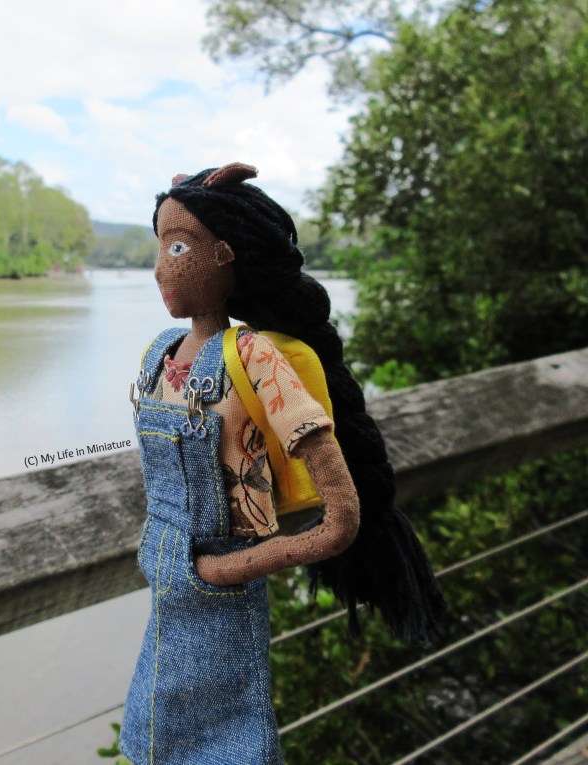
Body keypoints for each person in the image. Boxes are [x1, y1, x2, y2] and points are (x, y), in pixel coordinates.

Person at [120, 164, 445, 765]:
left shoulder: (256, 357)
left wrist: (229, 568)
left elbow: (340, 519)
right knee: (146, 741)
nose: (162, 266)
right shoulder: (157, 357)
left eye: (180, 246)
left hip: (218, 590)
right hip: (165, 593)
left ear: (225, 256)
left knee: (229, 744)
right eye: (160, 246)